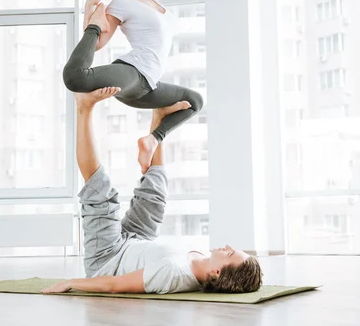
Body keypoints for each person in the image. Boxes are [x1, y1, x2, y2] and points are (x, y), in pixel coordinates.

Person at [41, 88, 262, 295]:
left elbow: (115, 285)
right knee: (156, 195)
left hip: (109, 258)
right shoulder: (203, 259)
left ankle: (84, 107)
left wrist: (71, 283)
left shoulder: (174, 274)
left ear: (216, 272)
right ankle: (158, 123)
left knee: (101, 193)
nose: (229, 247)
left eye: (230, 253)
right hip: (137, 241)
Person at [62, 0, 203, 174]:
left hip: (148, 88)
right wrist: (92, 6)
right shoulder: (123, 3)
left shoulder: (160, 8)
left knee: (195, 101)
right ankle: (84, 99)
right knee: (74, 77)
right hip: (131, 73)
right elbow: (97, 44)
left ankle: (152, 140)